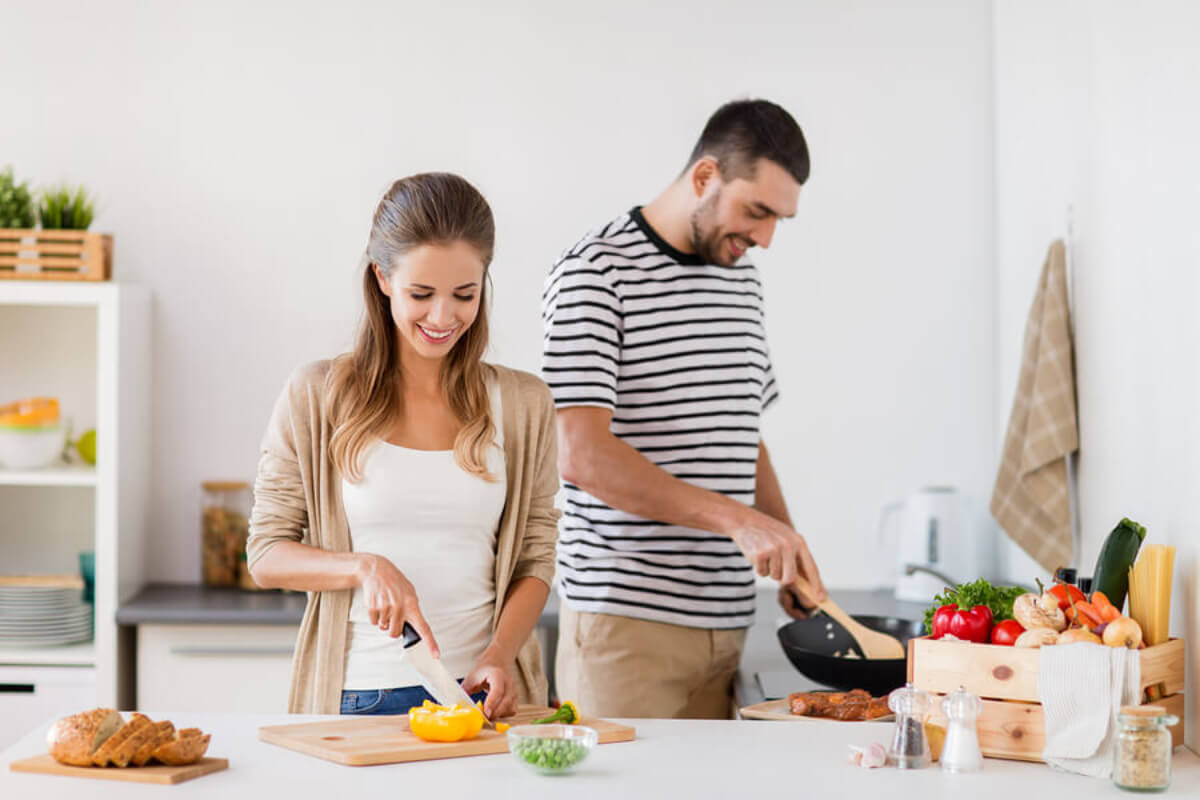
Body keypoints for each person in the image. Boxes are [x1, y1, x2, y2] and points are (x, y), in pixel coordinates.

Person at [542, 99, 828, 719]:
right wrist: (738, 521)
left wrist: (788, 547)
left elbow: (739, 431)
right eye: (757, 211)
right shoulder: (595, 272)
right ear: (704, 177)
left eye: (780, 219)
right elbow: (580, 455)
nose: (765, 238)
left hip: (725, 626)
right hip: (625, 630)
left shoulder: (741, 279)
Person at [247, 173, 561, 718]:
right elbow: (266, 555)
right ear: (382, 278)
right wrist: (363, 566)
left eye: (465, 294)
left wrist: (500, 654)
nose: (443, 318)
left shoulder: (524, 403)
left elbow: (537, 554)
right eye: (422, 294)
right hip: (357, 695)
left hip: (483, 697)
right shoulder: (316, 395)